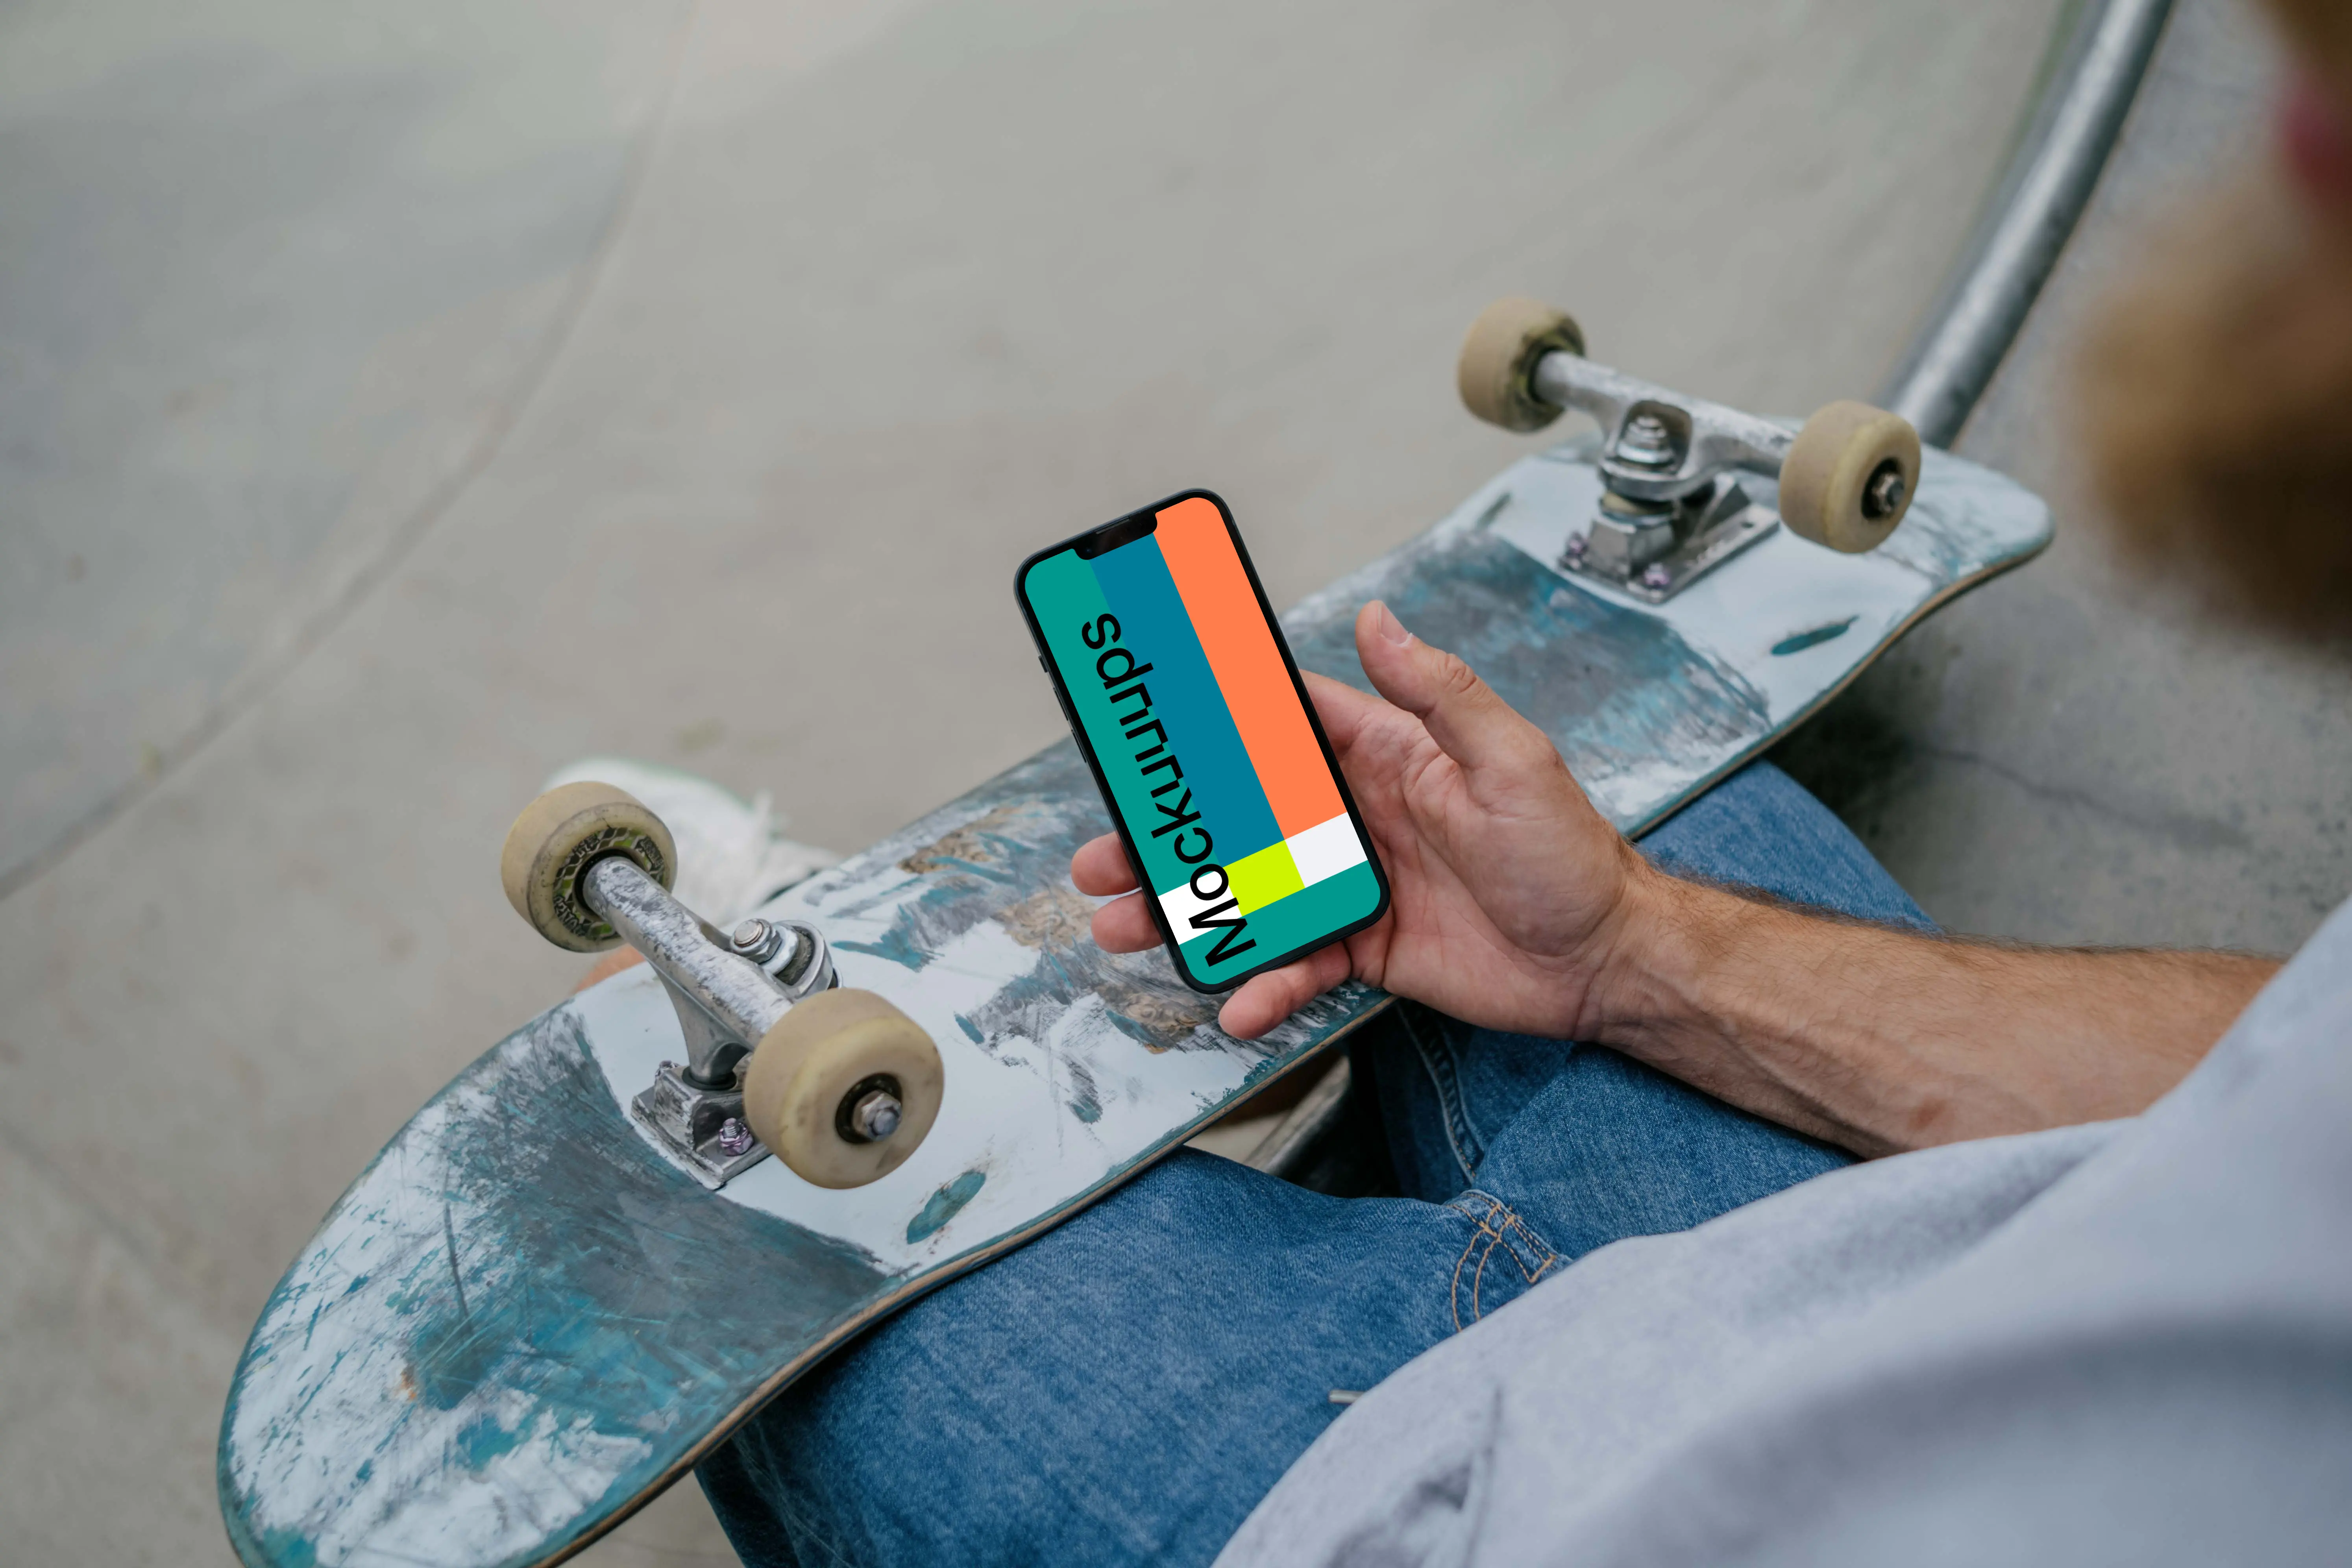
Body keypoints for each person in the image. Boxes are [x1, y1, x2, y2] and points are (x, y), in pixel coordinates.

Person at [677, 2, 2352, 1560]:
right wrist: (1622, 949)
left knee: (754, 1261)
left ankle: (771, 977)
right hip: (1912, 1278)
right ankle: (1256, 1118)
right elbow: (2285, 1066)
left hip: (1503, 1511)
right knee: (1666, 824)